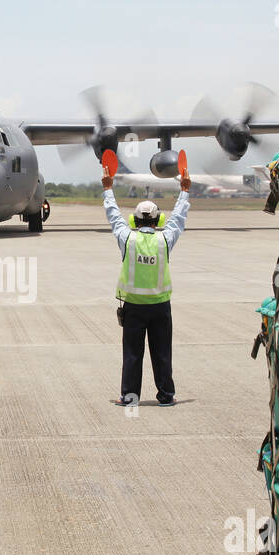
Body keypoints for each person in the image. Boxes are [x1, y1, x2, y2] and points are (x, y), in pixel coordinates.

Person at [102, 169, 190, 406]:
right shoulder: (165, 240)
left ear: (135, 220)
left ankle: (130, 397)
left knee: (132, 355)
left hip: (133, 308)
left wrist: (108, 189)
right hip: (161, 307)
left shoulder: (127, 238)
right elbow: (178, 219)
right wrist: (184, 192)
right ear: (158, 220)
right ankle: (166, 396)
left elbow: (114, 216)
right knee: (162, 354)